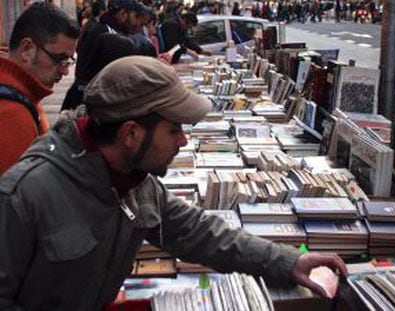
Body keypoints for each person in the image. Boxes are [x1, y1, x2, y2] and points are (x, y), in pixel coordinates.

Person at [0, 56, 348, 310]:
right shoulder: (23, 195)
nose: (182, 141)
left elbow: (197, 231)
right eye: (174, 129)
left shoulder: (134, 181)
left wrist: (287, 261)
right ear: (131, 134)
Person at [0, 2, 79, 175]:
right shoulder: (12, 115)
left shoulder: (23, 94)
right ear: (26, 49)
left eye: (69, 61)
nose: (65, 71)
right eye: (59, 59)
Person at [61, 0, 144, 111]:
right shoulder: (104, 33)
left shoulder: (103, 29)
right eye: (136, 17)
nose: (138, 23)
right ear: (123, 14)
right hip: (88, 104)